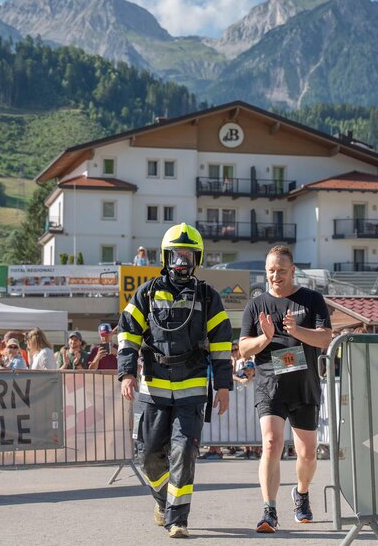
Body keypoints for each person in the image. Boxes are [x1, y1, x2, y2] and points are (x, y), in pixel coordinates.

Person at [118, 223, 232, 538]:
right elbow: (127, 335)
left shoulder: (208, 297)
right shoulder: (146, 293)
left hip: (192, 386)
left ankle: (177, 519)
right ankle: (163, 500)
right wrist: (127, 372)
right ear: (166, 257)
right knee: (148, 455)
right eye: (176, 255)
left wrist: (223, 386)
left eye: (188, 256)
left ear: (197, 259)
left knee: (184, 451)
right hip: (152, 386)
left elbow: (222, 344)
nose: (182, 262)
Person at [240, 244, 331, 533]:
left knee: (307, 454)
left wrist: (296, 331)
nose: (275, 276)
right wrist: (265, 339)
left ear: (292, 271)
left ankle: (301, 494)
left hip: (304, 386)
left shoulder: (312, 300)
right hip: (270, 384)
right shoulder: (256, 305)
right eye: (270, 271)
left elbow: (325, 339)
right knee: (271, 443)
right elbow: (243, 349)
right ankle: (269, 510)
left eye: (281, 270)